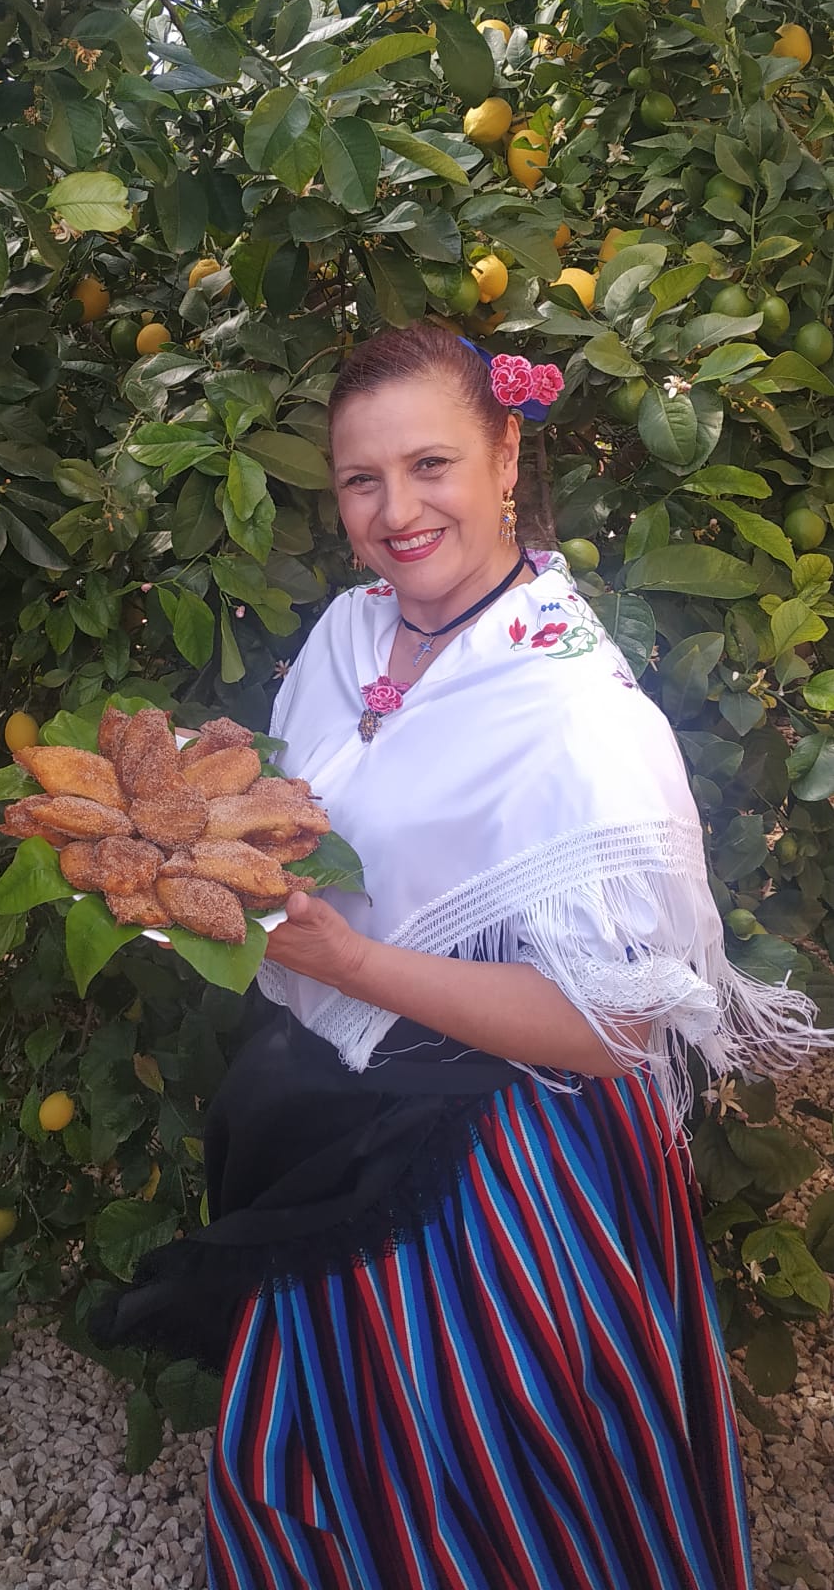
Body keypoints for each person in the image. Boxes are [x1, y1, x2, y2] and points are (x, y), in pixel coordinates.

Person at [94, 321, 830, 1590]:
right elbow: (301, 822)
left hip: (495, 1172)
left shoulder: (582, 716)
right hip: (326, 1098)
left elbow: (616, 1033)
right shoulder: (345, 632)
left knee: (498, 1484)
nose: (395, 510)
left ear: (505, 455)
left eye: (430, 464)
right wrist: (192, 847)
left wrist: (349, 960)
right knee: (334, 1453)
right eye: (361, 479)